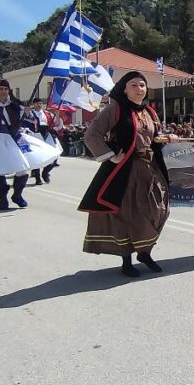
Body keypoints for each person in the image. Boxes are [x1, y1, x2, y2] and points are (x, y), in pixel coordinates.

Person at [78, 72, 178, 277]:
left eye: (142, 85)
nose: (139, 88)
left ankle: (145, 251)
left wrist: (166, 137)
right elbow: (92, 134)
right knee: (128, 213)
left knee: (159, 209)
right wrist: (110, 156)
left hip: (151, 168)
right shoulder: (114, 109)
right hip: (126, 171)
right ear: (124, 89)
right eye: (134, 85)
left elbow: (154, 136)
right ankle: (127, 260)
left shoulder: (150, 111)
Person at [0, 79, 59, 210]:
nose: (4, 91)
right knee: (0, 171)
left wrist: (28, 114)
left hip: (16, 137)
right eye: (0, 88)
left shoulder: (16, 105)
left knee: (23, 167)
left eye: (6, 89)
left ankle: (17, 195)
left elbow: (31, 122)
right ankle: (3, 198)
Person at [22, 98, 62, 186]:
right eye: (37, 103)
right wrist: (27, 114)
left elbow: (57, 124)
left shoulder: (48, 114)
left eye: (40, 103)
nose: (39, 105)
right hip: (36, 135)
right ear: (34, 104)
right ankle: (37, 177)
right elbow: (24, 124)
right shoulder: (30, 113)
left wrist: (57, 115)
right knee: (37, 157)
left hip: (47, 135)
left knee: (55, 155)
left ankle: (45, 172)